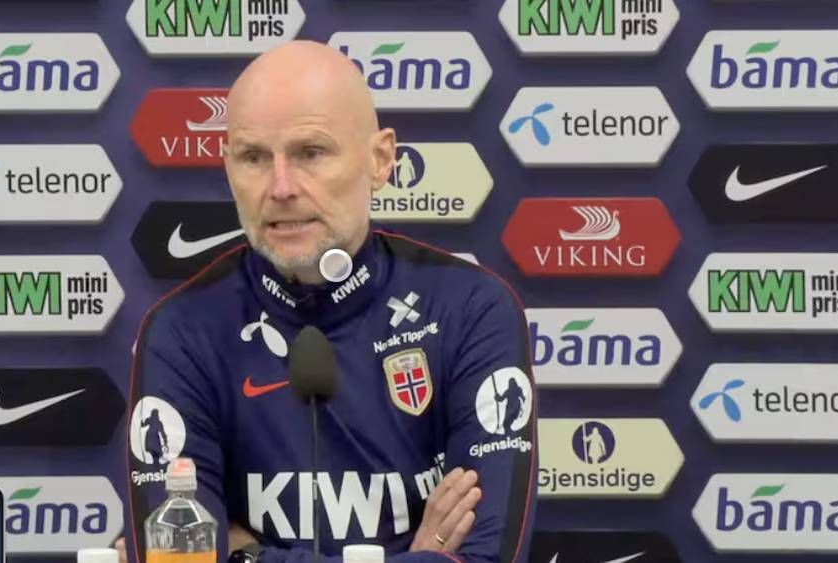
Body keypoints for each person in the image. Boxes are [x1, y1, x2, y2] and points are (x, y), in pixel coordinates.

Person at [118, 40, 537, 563]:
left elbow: (487, 556)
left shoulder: (471, 310)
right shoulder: (181, 331)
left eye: (310, 153)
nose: (281, 187)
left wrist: (246, 555)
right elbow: (176, 554)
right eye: (253, 157)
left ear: (380, 160)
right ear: (227, 167)